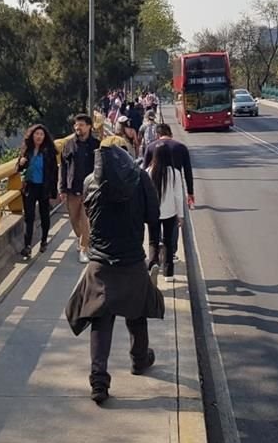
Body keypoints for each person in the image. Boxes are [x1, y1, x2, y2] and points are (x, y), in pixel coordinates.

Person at [65, 145, 164, 404]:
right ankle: (139, 360)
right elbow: (153, 215)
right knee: (136, 312)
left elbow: (89, 216)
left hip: (100, 261)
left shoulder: (89, 181)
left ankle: (99, 381)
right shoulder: (140, 178)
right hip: (132, 258)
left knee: (100, 318)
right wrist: (155, 249)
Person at [59, 114, 100, 263]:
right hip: (72, 187)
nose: (78, 127)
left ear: (89, 126)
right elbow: (63, 167)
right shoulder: (68, 144)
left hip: (90, 189)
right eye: (76, 125)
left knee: (85, 219)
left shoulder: (96, 144)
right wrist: (62, 188)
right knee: (74, 219)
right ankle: (81, 237)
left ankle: (84, 248)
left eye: (81, 125)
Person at [16, 124, 59, 258]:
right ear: (32, 135)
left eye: (41, 134)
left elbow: (54, 172)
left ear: (45, 136)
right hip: (30, 187)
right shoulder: (26, 150)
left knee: (44, 214)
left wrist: (54, 190)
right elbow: (18, 168)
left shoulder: (49, 151)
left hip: (44, 187)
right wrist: (21, 163)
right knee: (29, 216)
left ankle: (44, 241)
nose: (39, 136)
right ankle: (27, 246)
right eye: (36, 134)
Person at [147, 142, 184, 278]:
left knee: (153, 240)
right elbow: (178, 196)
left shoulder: (149, 171)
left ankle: (153, 264)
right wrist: (181, 215)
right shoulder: (175, 173)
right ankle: (168, 273)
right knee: (168, 241)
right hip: (170, 212)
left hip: (153, 213)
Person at [143, 123, 195, 209]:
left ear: (157, 135)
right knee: (181, 212)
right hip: (175, 183)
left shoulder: (150, 147)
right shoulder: (181, 147)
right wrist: (190, 192)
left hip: (155, 186)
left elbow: (144, 172)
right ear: (171, 134)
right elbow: (187, 171)